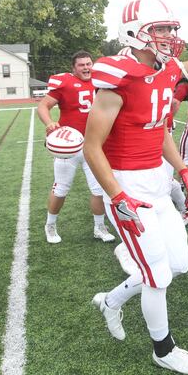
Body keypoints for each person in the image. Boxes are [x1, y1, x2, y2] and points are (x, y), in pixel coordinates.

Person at [85, 0, 188, 374]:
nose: (168, 36)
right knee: (157, 276)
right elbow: (91, 145)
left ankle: (112, 301)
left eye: (169, 29)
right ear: (135, 32)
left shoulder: (164, 71)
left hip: (157, 181)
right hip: (127, 185)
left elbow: (159, 128)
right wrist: (117, 196)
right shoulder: (118, 77)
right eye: (159, 29)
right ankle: (163, 350)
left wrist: (182, 169)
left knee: (179, 264)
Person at [37, 51, 116, 244]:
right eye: (81, 65)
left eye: (89, 64)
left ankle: (99, 227)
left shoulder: (101, 83)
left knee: (99, 189)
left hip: (94, 145)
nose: (86, 67)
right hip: (69, 146)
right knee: (61, 188)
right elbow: (43, 106)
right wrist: (49, 123)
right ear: (74, 68)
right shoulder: (65, 82)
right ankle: (50, 225)